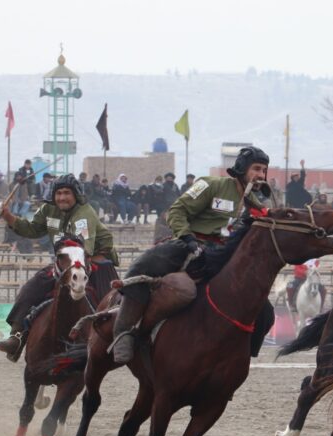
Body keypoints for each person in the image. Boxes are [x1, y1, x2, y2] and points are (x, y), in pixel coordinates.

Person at [111, 146, 274, 365]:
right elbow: (177, 211)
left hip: (225, 257)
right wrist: (187, 238)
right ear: (242, 168)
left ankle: (243, 352)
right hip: (191, 245)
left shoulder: (256, 205)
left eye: (264, 170)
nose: (261, 175)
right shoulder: (210, 184)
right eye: (256, 169)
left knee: (265, 312)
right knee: (144, 264)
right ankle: (123, 332)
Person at [0, 174, 119, 360]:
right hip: (65, 263)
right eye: (58, 193)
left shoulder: (84, 214)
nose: (62, 197)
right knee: (31, 289)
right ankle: (16, 337)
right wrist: (7, 216)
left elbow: (84, 248)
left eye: (67, 193)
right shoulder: (48, 209)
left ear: (76, 195)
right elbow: (32, 229)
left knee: (111, 310)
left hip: (94, 262)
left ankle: (121, 344)